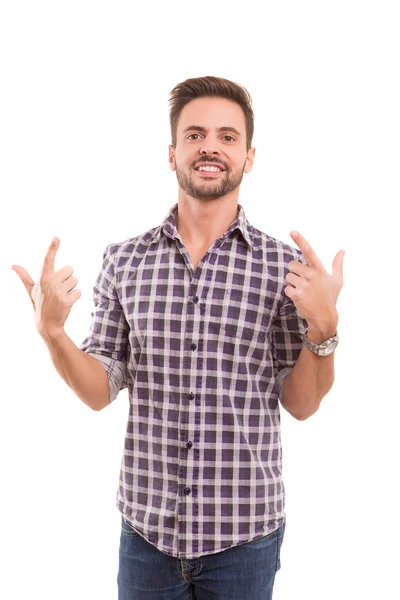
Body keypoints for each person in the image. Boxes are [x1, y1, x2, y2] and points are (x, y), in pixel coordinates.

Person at [12, 75, 345, 600]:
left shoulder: (285, 268)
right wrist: (53, 333)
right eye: (195, 135)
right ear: (172, 154)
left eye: (227, 136)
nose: (210, 146)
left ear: (249, 157)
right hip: (146, 539)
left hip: (245, 539)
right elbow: (100, 391)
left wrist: (324, 330)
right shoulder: (124, 261)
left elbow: (301, 405)